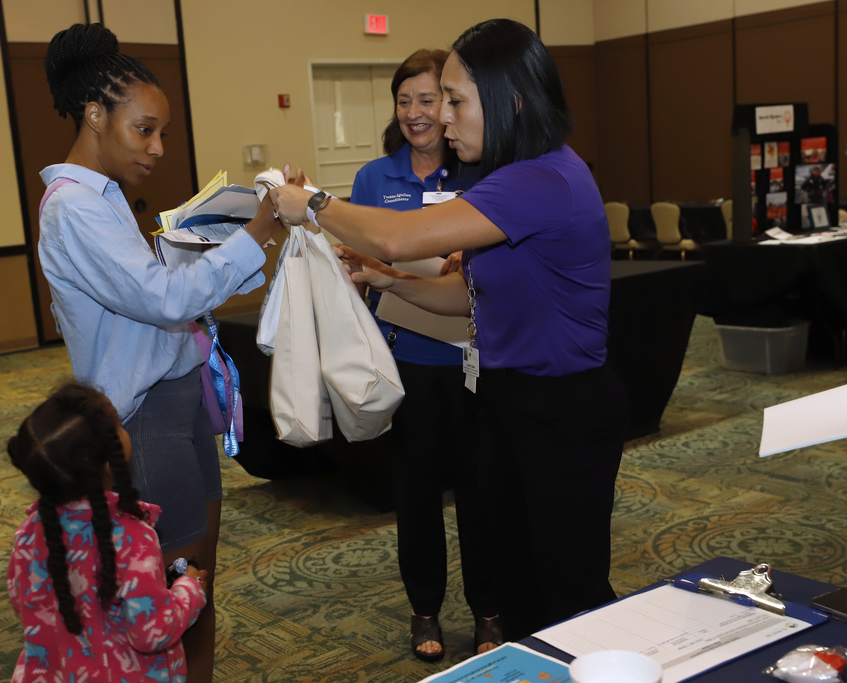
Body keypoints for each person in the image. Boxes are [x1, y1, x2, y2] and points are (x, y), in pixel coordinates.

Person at [272, 18, 628, 640]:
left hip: (561, 408)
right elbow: (467, 299)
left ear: (509, 102)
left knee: (569, 588)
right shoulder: (506, 176)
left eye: (456, 102)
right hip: (507, 400)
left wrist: (316, 206)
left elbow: (394, 235)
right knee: (519, 579)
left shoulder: (541, 177)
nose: (443, 118)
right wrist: (392, 284)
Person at [37, 24, 283, 682]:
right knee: (169, 590)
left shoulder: (106, 196)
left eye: (163, 133)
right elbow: (161, 299)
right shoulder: (72, 209)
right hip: (139, 419)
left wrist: (199, 236)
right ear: (95, 115)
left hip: (178, 406)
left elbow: (148, 295)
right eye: (145, 129)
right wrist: (254, 233)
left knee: (195, 583)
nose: (158, 148)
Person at [349, 49, 499, 661]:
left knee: (482, 496)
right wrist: (360, 271)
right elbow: (355, 266)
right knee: (415, 498)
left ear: (451, 105)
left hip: (473, 363)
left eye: (428, 99)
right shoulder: (372, 181)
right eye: (404, 100)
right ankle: (425, 612)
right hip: (406, 361)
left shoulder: (479, 173)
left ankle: (490, 611)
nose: (415, 113)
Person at [6, 383, 208, 682]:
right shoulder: (132, 538)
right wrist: (190, 587)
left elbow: (22, 603)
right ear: (110, 459)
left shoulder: (28, 534)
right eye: (118, 423)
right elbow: (151, 633)